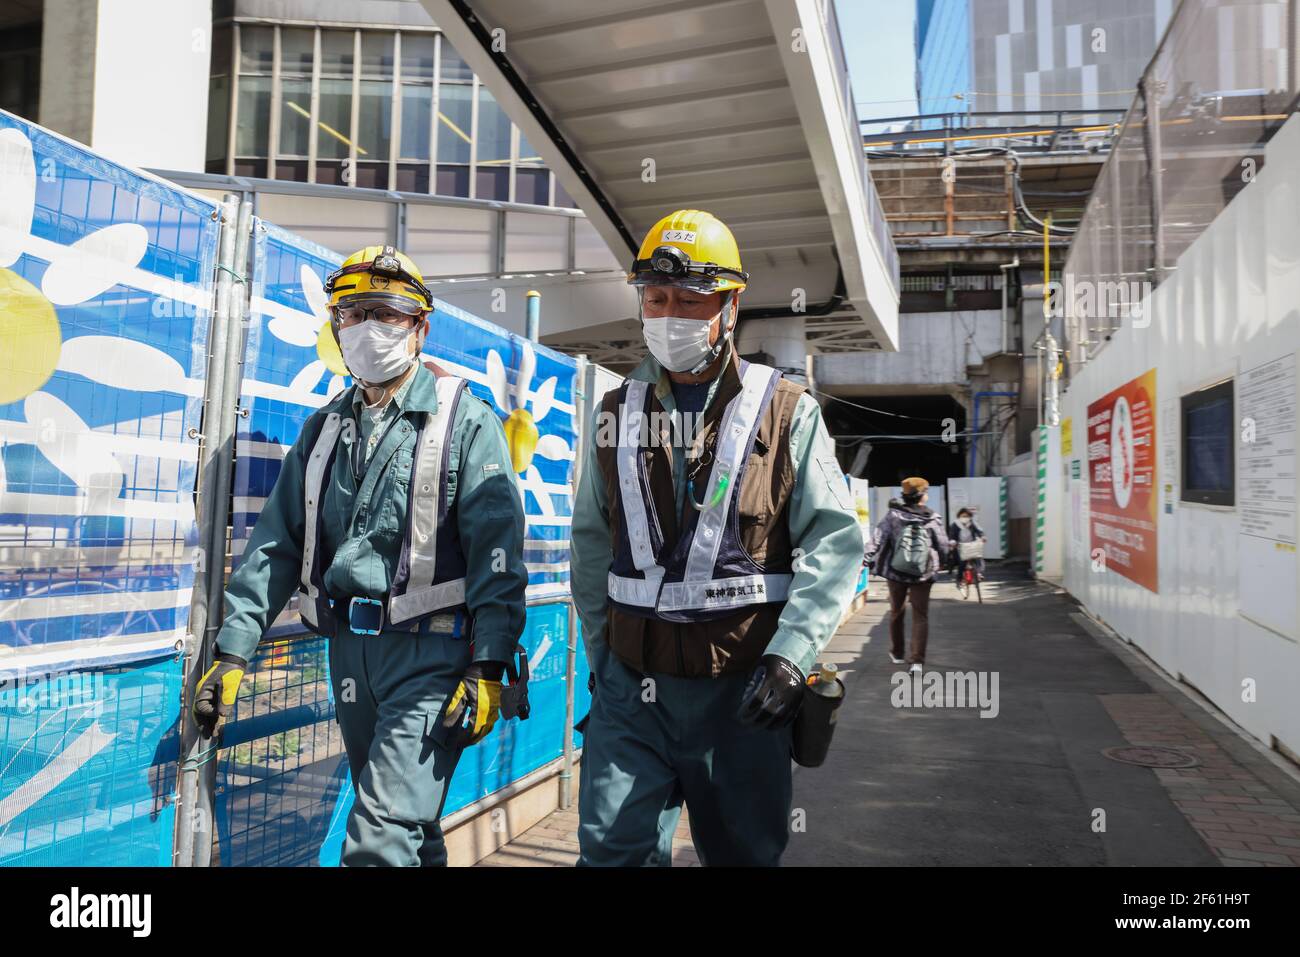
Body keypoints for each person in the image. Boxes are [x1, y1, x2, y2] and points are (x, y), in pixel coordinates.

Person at [191, 245, 529, 866]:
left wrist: (489, 663)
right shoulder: (322, 431)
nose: (366, 327)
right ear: (336, 328)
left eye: (385, 313)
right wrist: (234, 652)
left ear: (420, 327)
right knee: (409, 830)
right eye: (351, 313)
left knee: (377, 840)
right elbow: (277, 545)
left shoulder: (465, 419)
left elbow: (497, 551)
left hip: (435, 657)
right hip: (351, 653)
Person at [570, 209, 864, 866]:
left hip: (742, 695)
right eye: (656, 297)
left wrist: (790, 655)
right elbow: (591, 548)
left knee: (742, 856)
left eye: (690, 300)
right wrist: (606, 665)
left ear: (731, 305)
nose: (669, 313)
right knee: (611, 853)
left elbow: (835, 546)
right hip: (630, 691)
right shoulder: (614, 414)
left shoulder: (789, 412)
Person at [871, 476, 949, 673]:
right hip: (923, 574)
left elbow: (878, 537)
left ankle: (897, 653)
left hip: (896, 572)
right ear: (922, 496)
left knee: (897, 611)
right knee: (920, 616)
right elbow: (943, 545)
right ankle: (916, 662)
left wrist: (867, 556)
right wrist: (947, 560)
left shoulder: (893, 516)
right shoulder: (933, 518)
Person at [948, 506, 987, 584]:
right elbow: (952, 536)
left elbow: (979, 531)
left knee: (978, 557)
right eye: (963, 516)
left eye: (967, 516)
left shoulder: (972, 523)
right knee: (962, 562)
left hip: (971, 545)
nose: (965, 518)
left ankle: (978, 573)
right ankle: (960, 579)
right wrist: (952, 542)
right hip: (960, 546)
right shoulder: (955, 525)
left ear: (970, 517)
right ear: (959, 516)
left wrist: (983, 536)